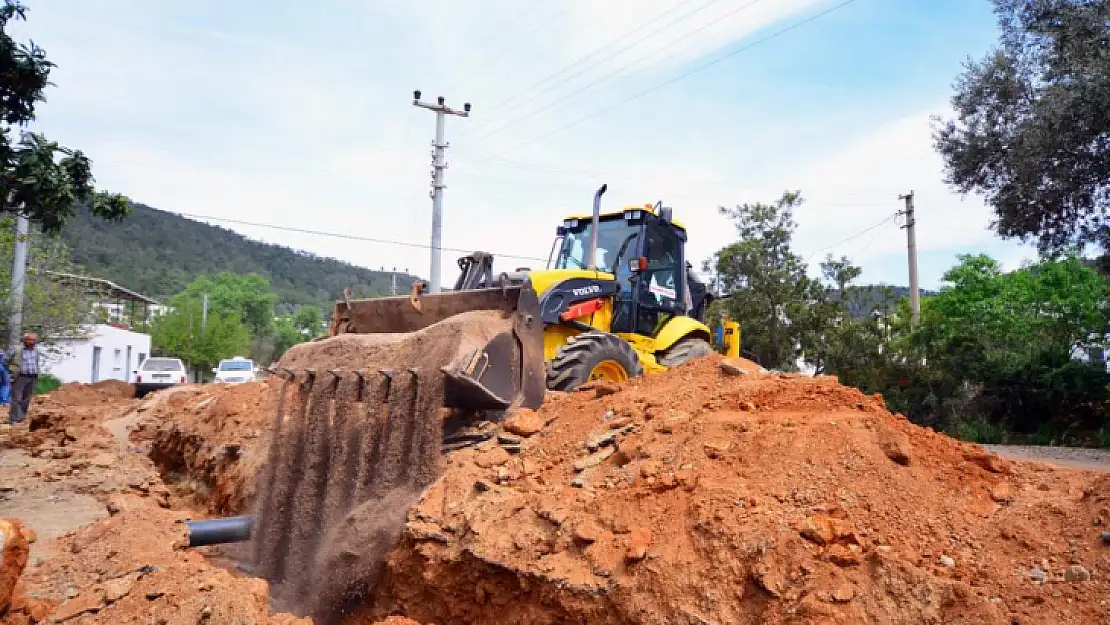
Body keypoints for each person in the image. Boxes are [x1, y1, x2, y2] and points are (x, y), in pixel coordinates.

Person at [8, 332, 42, 425]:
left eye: (34, 340)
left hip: (32, 377)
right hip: (20, 377)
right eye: (30, 340)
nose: (32, 342)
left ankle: (22, 418)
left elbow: (36, 362)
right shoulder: (17, 349)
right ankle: (13, 419)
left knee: (26, 399)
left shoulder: (36, 350)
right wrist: (11, 371)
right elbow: (6, 360)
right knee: (17, 399)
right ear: (25, 340)